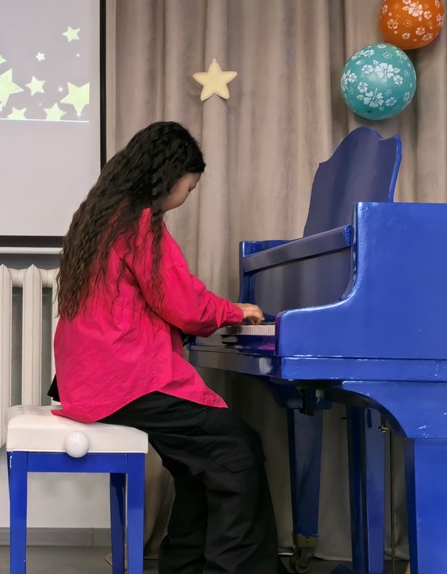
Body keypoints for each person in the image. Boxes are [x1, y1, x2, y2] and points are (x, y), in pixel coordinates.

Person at [51, 121, 282, 574]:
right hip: (124, 377)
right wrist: (235, 311)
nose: (186, 196)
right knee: (237, 450)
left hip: (91, 377)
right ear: (169, 176)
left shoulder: (102, 216)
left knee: (197, 462)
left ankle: (184, 566)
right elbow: (184, 305)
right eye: (188, 188)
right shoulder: (140, 224)